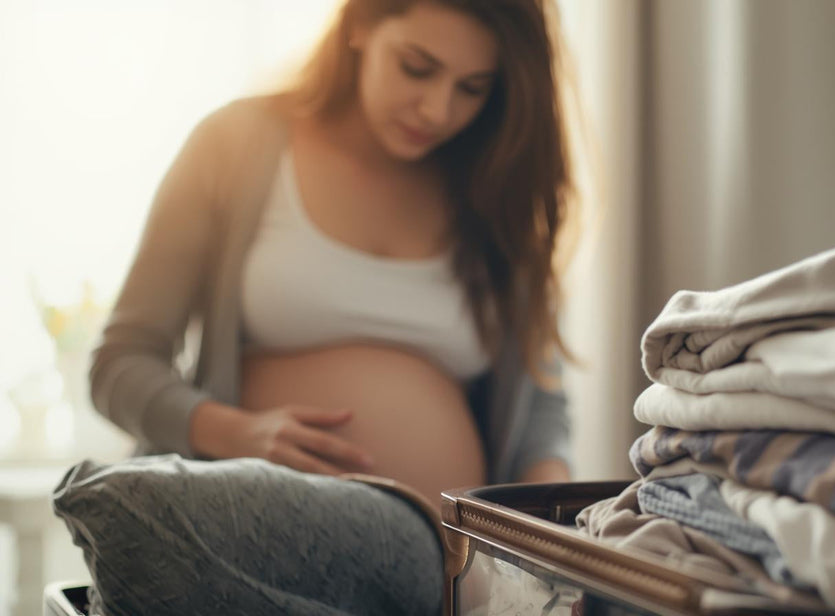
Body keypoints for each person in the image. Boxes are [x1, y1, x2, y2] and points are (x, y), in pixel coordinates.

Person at [77, 1, 578, 612]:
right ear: (361, 25)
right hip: (258, 547)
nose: (438, 110)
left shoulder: (494, 185)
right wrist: (239, 432)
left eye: (472, 88)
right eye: (417, 67)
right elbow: (119, 366)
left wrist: (556, 545)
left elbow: (539, 410)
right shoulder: (236, 145)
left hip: (448, 570)